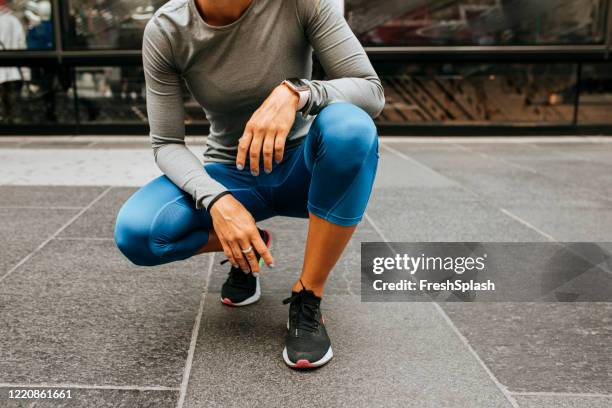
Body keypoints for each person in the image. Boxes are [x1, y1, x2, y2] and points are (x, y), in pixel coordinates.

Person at [114, 0, 384, 369]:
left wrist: (297, 93)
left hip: (304, 169)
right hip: (230, 174)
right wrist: (218, 202)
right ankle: (247, 246)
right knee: (138, 234)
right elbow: (167, 144)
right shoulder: (166, 30)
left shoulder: (301, 4)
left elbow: (371, 91)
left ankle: (308, 295)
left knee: (351, 129)